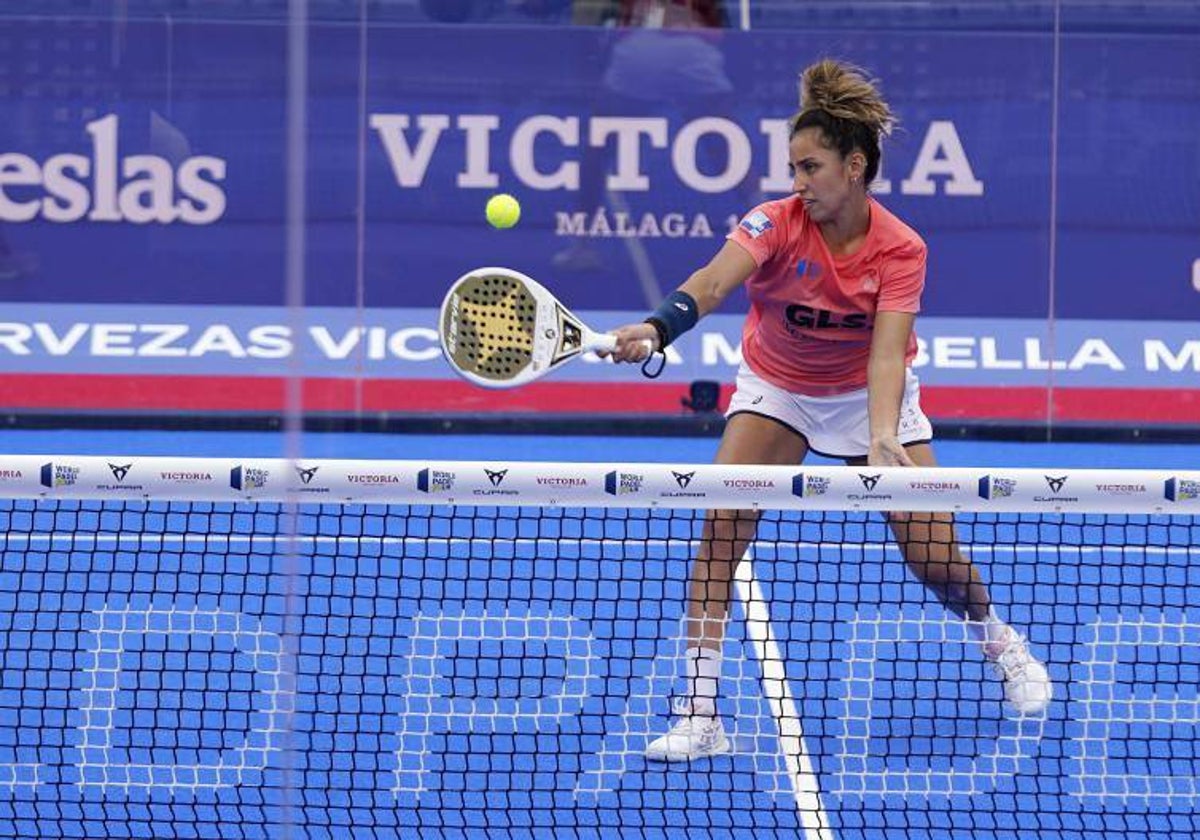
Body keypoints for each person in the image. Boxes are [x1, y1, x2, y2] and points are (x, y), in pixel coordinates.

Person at [605, 59, 1053, 762]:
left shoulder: (901, 247)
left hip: (869, 397)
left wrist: (880, 436)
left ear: (854, 166)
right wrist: (658, 327)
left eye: (811, 167)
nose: (798, 181)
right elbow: (714, 282)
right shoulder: (774, 222)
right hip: (778, 388)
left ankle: (1000, 641)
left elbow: (886, 353)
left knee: (934, 556)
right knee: (721, 530)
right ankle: (699, 714)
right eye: (793, 167)